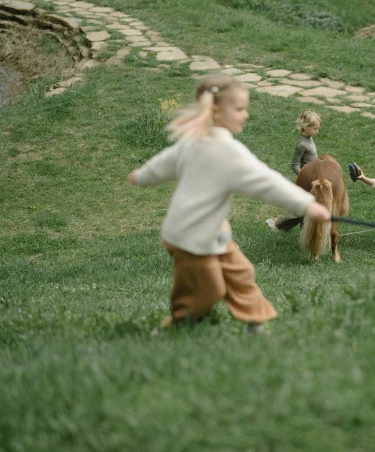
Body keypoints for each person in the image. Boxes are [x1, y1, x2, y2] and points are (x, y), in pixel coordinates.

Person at [128, 74, 330, 333]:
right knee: (208, 288)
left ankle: (254, 321)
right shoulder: (224, 151)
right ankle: (181, 324)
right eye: (239, 109)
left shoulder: (195, 141)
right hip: (188, 236)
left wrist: (142, 175)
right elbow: (266, 182)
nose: (245, 115)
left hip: (212, 230)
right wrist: (307, 204)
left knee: (240, 272)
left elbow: (162, 164)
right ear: (216, 110)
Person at [266, 109, 321, 233]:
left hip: (313, 177)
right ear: (305, 127)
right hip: (306, 180)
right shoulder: (301, 144)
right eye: (315, 129)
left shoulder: (310, 139)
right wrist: (304, 176)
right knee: (301, 209)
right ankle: (277, 224)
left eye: (317, 128)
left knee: (308, 207)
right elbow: (294, 164)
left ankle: (306, 232)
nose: (317, 131)